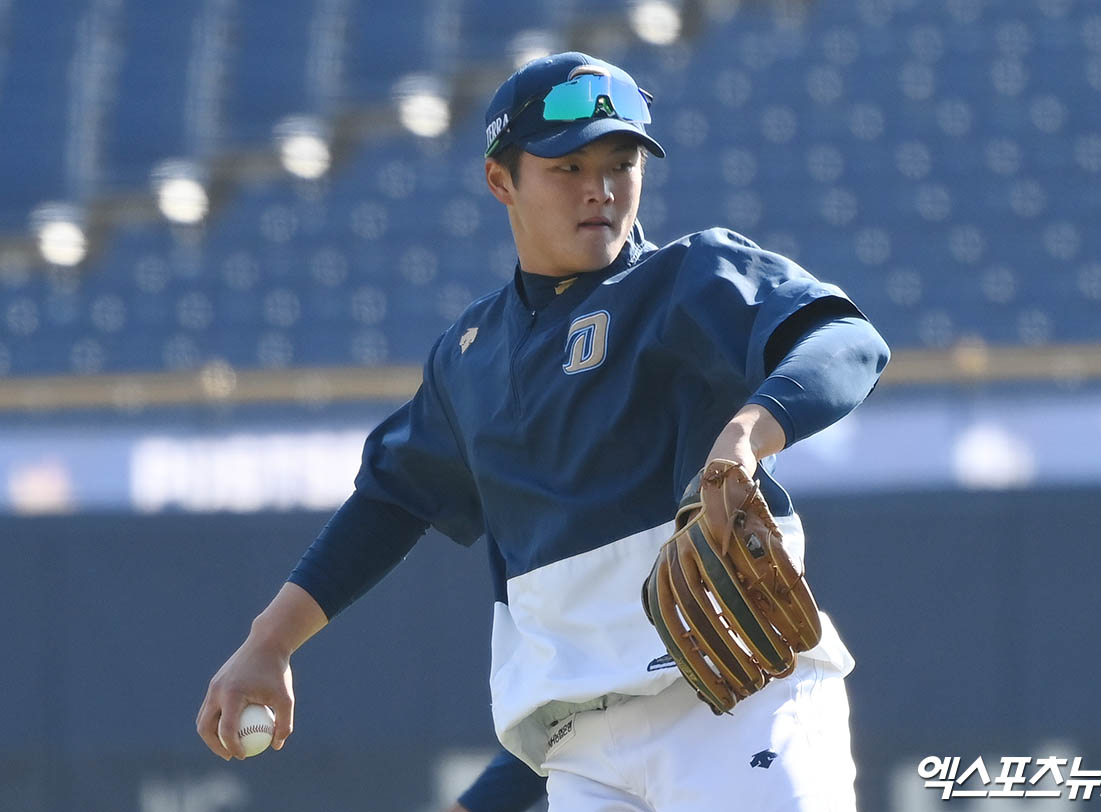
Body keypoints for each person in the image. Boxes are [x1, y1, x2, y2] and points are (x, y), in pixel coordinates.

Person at [197, 51, 890, 811]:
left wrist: (748, 434)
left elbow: (847, 341)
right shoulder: (470, 357)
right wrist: (269, 641)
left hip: (742, 709)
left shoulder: (686, 280)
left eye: (621, 163)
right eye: (568, 166)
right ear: (501, 180)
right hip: (582, 758)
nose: (600, 188)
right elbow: (391, 500)